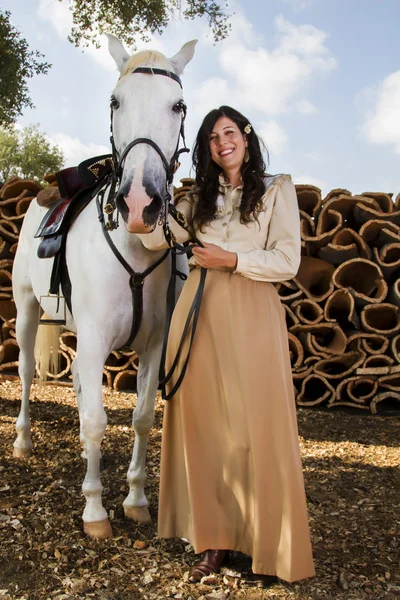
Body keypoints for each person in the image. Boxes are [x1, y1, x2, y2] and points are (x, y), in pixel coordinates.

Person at [137, 105, 315, 583]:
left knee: (258, 427)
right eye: (212, 137)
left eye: (229, 132)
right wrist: (146, 196)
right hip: (199, 317)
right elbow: (157, 239)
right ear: (206, 148)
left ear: (246, 137)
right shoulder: (198, 198)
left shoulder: (278, 189)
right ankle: (213, 540)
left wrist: (230, 258)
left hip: (253, 315)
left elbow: (286, 261)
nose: (222, 143)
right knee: (208, 428)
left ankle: (267, 546)